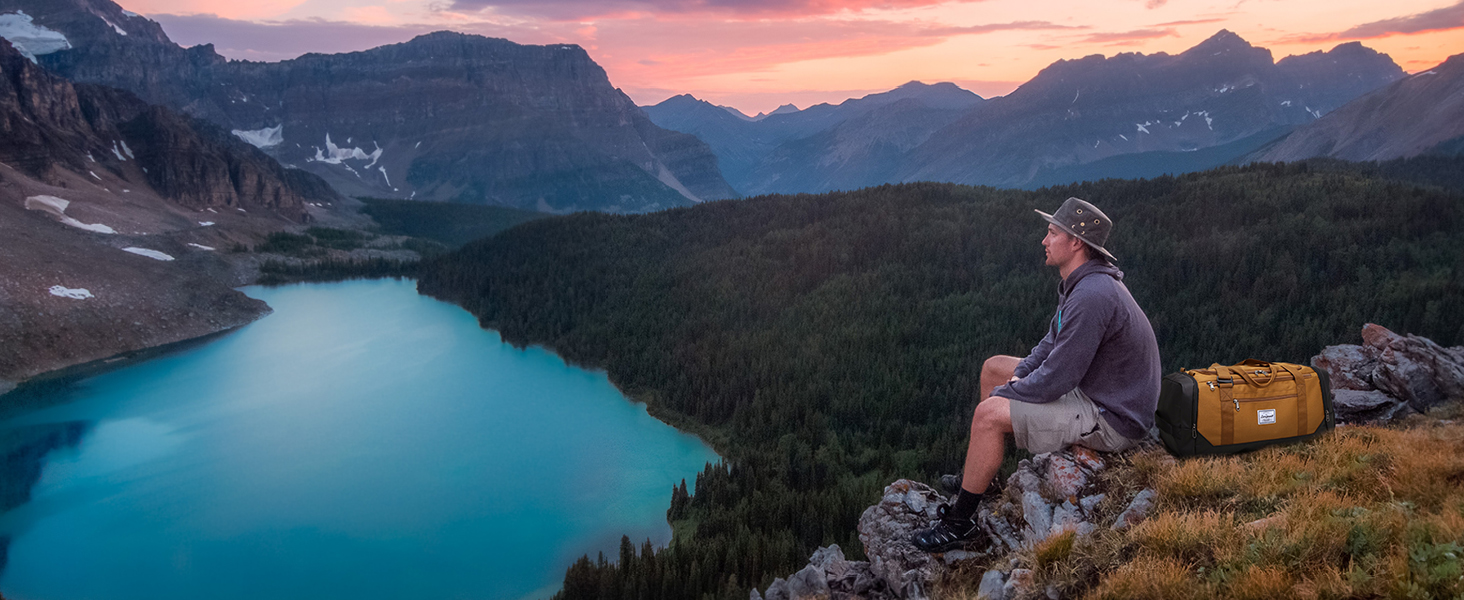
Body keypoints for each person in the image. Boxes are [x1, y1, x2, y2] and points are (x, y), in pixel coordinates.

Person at [911, 197, 1162, 553]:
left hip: (1113, 417)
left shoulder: (1092, 295)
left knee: (987, 415)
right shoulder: (1080, 284)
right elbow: (1049, 346)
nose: (1044, 241)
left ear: (1076, 242)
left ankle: (959, 522)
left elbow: (1058, 377)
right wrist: (1014, 380)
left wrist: (1012, 393)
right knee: (993, 367)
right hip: (1099, 392)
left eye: (1051, 233)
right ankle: (987, 476)